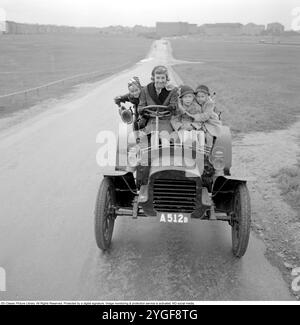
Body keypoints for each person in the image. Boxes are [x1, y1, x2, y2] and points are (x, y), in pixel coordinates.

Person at [138, 65, 178, 135]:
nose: (160, 80)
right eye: (158, 78)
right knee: (146, 137)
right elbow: (141, 106)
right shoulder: (145, 90)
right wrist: (141, 109)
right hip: (151, 120)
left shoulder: (172, 90)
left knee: (166, 137)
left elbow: (174, 105)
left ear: (166, 78)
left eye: (163, 78)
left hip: (166, 120)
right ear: (153, 78)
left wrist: (172, 107)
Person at [194, 84, 222, 153]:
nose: (200, 98)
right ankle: (198, 150)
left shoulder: (210, 103)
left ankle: (208, 152)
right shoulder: (196, 102)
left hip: (210, 121)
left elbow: (206, 115)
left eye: (202, 96)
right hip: (201, 121)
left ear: (207, 96)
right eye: (198, 96)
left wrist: (196, 117)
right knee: (198, 134)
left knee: (209, 135)